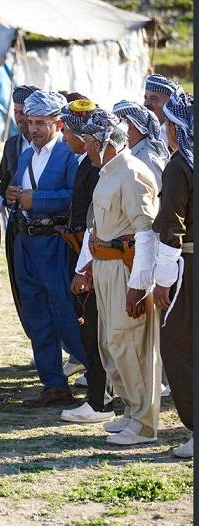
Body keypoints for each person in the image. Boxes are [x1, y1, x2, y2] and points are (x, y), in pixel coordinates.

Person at [74, 109, 161, 446]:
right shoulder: (107, 172)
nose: (86, 148)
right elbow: (100, 227)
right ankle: (131, 411)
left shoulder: (132, 174)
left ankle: (144, 424)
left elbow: (146, 232)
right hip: (106, 265)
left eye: (90, 142)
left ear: (105, 143)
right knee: (111, 343)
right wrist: (89, 266)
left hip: (127, 270)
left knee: (130, 344)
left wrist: (138, 286)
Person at [5, 90, 87, 406]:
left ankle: (101, 378)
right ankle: (54, 384)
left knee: (64, 315)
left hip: (54, 243)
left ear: (58, 123)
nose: (34, 128)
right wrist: (14, 194)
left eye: (41, 123)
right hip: (25, 243)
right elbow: (20, 191)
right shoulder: (26, 154)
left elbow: (76, 197)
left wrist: (36, 200)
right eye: (30, 122)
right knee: (37, 317)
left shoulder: (69, 154)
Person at [57, 99, 115, 424]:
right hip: (80, 252)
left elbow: (97, 223)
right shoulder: (85, 164)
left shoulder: (96, 168)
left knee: (93, 329)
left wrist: (85, 267)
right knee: (87, 328)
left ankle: (100, 402)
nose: (64, 136)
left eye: (68, 130)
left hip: (89, 257)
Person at [153, 90, 194, 458]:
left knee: (178, 346)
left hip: (187, 267)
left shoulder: (180, 165)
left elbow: (171, 228)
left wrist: (163, 282)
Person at [0, 85, 39, 339]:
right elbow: (3, 183)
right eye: (16, 111)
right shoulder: (12, 145)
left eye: (25, 112)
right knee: (23, 289)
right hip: (18, 229)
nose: (20, 117)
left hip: (49, 230)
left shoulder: (57, 147)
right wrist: (6, 195)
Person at [112, 100, 169, 188]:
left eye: (115, 127)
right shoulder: (131, 152)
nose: (112, 132)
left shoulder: (148, 159)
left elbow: (160, 196)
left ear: (130, 127)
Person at [143, 74, 181, 145]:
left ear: (169, 102)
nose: (146, 104)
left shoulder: (180, 134)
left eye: (153, 98)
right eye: (145, 98)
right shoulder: (142, 129)